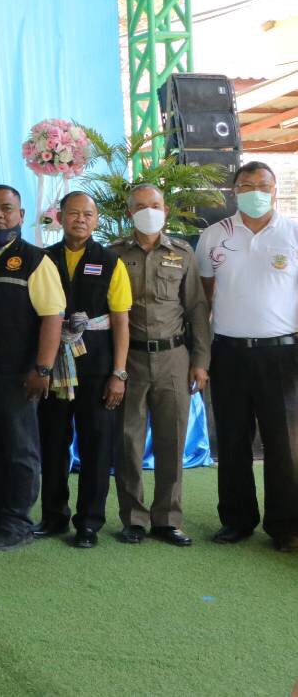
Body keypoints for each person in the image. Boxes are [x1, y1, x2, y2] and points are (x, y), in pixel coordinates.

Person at [194, 160, 298, 550]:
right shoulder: (213, 236)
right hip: (229, 353)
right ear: (234, 191)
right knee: (233, 438)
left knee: (285, 445)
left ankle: (286, 525)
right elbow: (203, 300)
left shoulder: (293, 233)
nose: (255, 192)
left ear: (275, 190)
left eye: (263, 185)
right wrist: (201, 356)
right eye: (246, 185)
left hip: (283, 354)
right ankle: (236, 520)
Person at [0, 185, 64, 551]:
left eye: (7, 209)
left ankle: (17, 522)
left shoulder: (36, 260)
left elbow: (53, 317)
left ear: (21, 215)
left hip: (18, 372)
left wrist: (43, 368)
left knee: (20, 451)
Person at [111, 183, 210, 546]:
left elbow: (197, 309)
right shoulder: (115, 254)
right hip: (131, 359)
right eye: (140, 206)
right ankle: (133, 519)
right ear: (129, 213)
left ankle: (168, 519)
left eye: (155, 205)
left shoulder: (182, 253)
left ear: (165, 210)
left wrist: (200, 361)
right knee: (128, 442)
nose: (148, 211)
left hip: (174, 358)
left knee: (172, 440)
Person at [39, 191, 131, 548]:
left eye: (87, 214)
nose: (80, 219)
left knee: (96, 445)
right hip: (53, 367)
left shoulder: (110, 261)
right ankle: (53, 516)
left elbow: (121, 321)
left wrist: (118, 373)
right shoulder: (43, 258)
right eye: (73, 213)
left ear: (96, 220)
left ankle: (89, 522)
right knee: (53, 443)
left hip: (97, 368)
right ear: (60, 217)